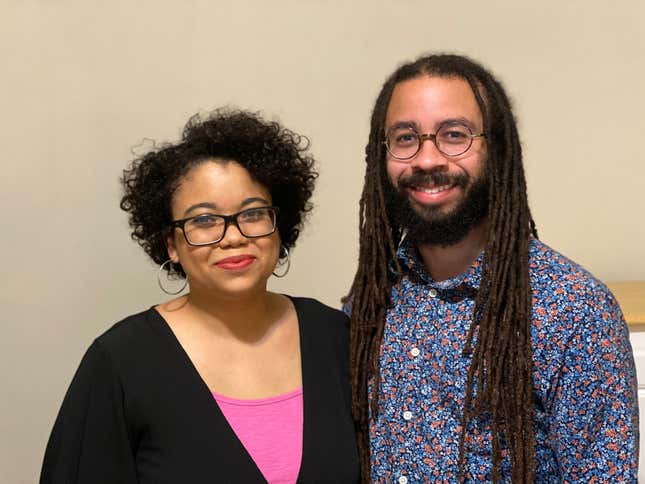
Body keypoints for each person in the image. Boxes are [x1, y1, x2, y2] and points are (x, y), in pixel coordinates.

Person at [345, 54, 638, 482]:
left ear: (495, 150)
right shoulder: (372, 300)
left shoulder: (575, 311)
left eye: (454, 135)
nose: (427, 160)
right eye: (405, 138)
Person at [41, 109, 359, 483]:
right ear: (171, 245)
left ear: (280, 225)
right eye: (204, 220)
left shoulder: (335, 337)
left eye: (253, 213)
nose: (233, 236)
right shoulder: (122, 362)